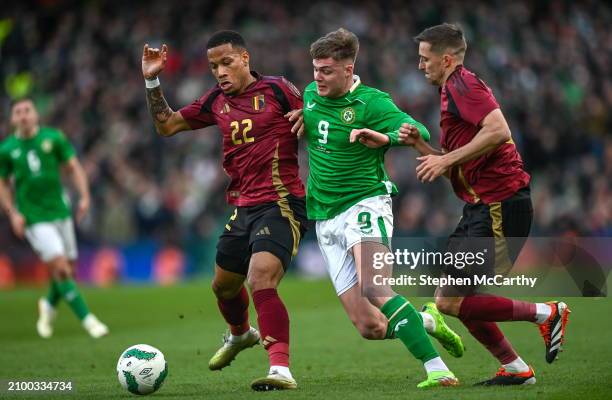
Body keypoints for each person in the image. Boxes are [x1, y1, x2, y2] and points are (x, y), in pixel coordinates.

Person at [399, 23, 569, 385]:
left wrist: (443, 159)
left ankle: (547, 312)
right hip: (481, 207)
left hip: (501, 207)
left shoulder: (464, 84)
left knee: (449, 302)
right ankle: (515, 368)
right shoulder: (452, 91)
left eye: (424, 59)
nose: (420, 66)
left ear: (446, 60)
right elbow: (459, 165)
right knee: (452, 296)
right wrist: (423, 148)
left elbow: (499, 130)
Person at [141, 30, 308, 391]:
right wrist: (153, 80)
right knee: (223, 286)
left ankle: (281, 369)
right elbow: (167, 125)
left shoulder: (280, 90)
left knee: (260, 276)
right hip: (242, 207)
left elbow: (313, 122)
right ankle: (240, 334)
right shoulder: (214, 101)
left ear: (245, 59)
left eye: (226, 62)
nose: (219, 72)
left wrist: (308, 121)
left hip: (282, 202)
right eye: (213, 66)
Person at [299, 28, 461, 389]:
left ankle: (437, 369)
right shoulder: (310, 95)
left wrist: (386, 137)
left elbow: (418, 129)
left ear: (348, 68)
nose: (317, 77)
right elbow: (308, 118)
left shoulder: (372, 103)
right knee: (369, 327)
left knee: (377, 287)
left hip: (364, 204)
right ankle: (425, 322)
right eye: (315, 69)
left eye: (326, 70)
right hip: (325, 218)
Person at [0, 98, 109, 339]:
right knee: (60, 268)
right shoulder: (6, 150)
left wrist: (84, 196)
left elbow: (73, 167)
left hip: (61, 211)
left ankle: (48, 305)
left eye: (27, 110)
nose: (23, 115)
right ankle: (89, 321)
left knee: (68, 270)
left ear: (36, 114)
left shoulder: (54, 138)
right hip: (34, 218)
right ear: (12, 119)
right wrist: (13, 213)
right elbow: (3, 184)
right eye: (18, 112)